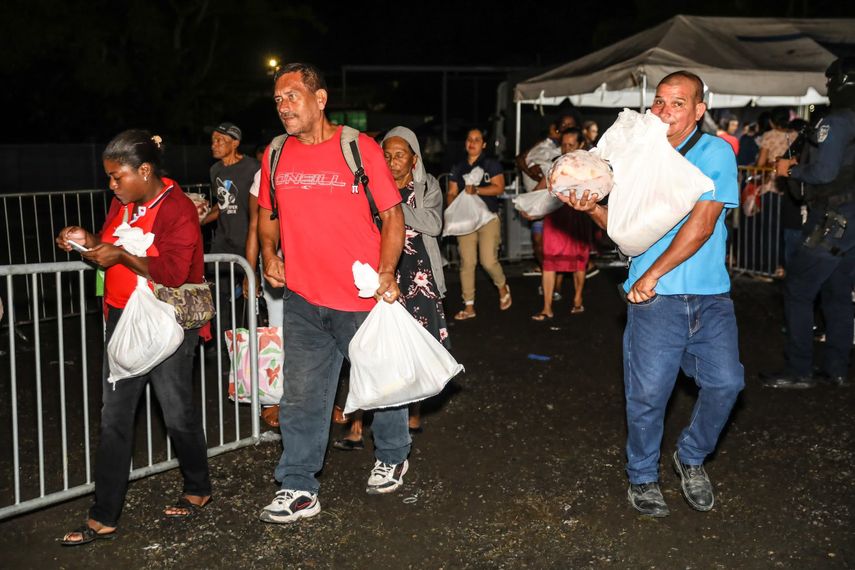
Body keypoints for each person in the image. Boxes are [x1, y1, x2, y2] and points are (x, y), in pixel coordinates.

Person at [561, 71, 744, 517]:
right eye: (659, 102)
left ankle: (691, 456)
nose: (664, 112)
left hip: (707, 296)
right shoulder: (637, 155)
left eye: (678, 103)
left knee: (727, 382)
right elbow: (626, 229)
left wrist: (653, 274)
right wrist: (594, 210)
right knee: (648, 396)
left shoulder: (713, 152)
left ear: (700, 109)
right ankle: (642, 477)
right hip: (655, 303)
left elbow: (701, 225)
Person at [255, 62, 410, 524]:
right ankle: (299, 486)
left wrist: (386, 270)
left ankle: (393, 451)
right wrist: (268, 254)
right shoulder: (276, 153)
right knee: (301, 395)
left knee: (381, 386)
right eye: (278, 99)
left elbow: (392, 215)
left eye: (292, 97)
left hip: (360, 297)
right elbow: (267, 213)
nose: (283, 107)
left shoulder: (357, 147)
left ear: (320, 100)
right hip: (303, 298)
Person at [56, 130, 212, 545]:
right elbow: (110, 245)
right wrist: (87, 242)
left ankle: (198, 486)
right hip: (122, 320)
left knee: (176, 412)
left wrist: (122, 256)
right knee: (115, 417)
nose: (111, 185)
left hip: (168, 324)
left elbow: (176, 272)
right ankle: (102, 515)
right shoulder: (123, 203)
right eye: (108, 177)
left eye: (116, 176)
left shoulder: (176, 207)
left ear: (144, 170)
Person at [334, 126, 450, 448]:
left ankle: (413, 411)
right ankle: (357, 425)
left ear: (414, 159)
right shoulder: (368, 188)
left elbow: (433, 223)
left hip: (419, 276)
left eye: (400, 155)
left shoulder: (428, 187)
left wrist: (392, 206)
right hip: (384, 274)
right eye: (387, 155)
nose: (393, 161)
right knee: (368, 346)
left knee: (411, 348)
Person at [763, 57, 855, 389]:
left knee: (798, 290)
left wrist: (790, 171)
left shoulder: (840, 121)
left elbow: (824, 173)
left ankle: (798, 369)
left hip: (831, 219)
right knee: (838, 294)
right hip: (849, 222)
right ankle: (837, 368)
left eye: (832, 82)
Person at [200, 122, 260, 330]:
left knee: (252, 293)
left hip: (249, 241)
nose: (214, 145)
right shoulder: (215, 170)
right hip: (223, 241)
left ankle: (255, 342)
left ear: (235, 143)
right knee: (217, 294)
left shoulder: (253, 168)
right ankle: (223, 345)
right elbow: (223, 205)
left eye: (220, 141)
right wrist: (198, 219)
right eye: (212, 141)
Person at [447, 128, 511, 320]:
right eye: (469, 139)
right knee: (467, 262)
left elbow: (499, 188)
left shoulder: (490, 164)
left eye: (477, 139)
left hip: (488, 217)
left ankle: (502, 286)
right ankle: (469, 306)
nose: (472, 143)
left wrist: (477, 191)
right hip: (465, 219)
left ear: (483, 144)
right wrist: (453, 210)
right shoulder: (458, 167)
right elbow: (451, 192)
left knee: (488, 260)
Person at [530, 128, 592, 320]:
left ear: (581, 145)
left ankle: (578, 299)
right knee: (549, 261)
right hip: (555, 216)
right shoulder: (556, 164)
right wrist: (531, 206)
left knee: (579, 260)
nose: (566, 148)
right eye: (564, 144)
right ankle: (547, 308)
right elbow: (539, 188)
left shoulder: (590, 165)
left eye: (571, 145)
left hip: (578, 215)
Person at [516, 116, 576, 274]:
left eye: (569, 125)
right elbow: (522, 159)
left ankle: (557, 282)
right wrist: (530, 204)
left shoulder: (578, 157)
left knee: (565, 251)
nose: (565, 127)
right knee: (540, 243)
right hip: (546, 206)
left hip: (564, 211)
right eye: (562, 124)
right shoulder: (547, 146)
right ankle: (549, 274)